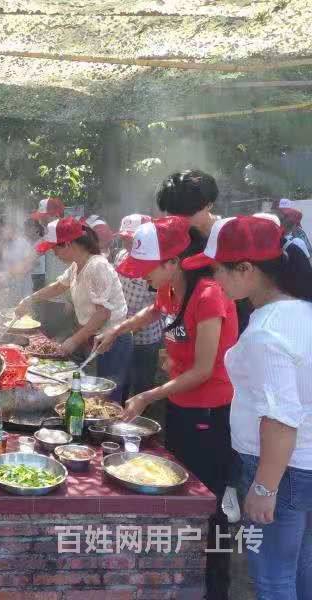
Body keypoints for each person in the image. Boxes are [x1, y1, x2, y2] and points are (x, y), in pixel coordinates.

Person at [95, 216, 238, 600]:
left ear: (173, 261)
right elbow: (151, 312)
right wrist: (116, 330)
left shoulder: (208, 295)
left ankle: (215, 585)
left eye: (148, 270)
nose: (143, 278)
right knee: (183, 497)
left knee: (209, 505)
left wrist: (147, 396)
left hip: (210, 415)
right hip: (181, 408)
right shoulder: (171, 290)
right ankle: (180, 576)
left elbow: (205, 370)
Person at [182, 215, 312, 600]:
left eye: (218, 270)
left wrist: (263, 487)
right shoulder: (301, 312)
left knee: (271, 578)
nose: (214, 280)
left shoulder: (266, 332)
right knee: (301, 567)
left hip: (281, 471)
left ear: (246, 269)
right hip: (302, 465)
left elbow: (280, 420)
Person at [16, 217, 131, 402]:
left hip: (112, 341)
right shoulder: (77, 265)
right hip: (93, 337)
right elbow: (58, 286)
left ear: (68, 244)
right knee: (89, 393)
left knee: (105, 398)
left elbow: (103, 313)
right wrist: (30, 299)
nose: (53, 253)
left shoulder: (97, 266)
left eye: (55, 248)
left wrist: (74, 341)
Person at [155, 169, 253, 335]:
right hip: (192, 325)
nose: (180, 219)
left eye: (187, 213)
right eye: (174, 213)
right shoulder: (177, 238)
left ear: (209, 205)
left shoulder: (233, 235)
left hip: (236, 324)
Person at [112, 214, 162, 398]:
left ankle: (141, 422)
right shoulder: (120, 256)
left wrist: (135, 324)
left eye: (131, 239)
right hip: (122, 331)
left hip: (146, 338)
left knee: (142, 386)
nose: (126, 242)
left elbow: (161, 304)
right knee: (120, 382)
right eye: (123, 238)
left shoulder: (156, 264)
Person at [30, 197, 73, 338]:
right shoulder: (48, 236)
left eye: (43, 218)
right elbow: (29, 259)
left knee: (60, 344)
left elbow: (77, 268)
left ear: (55, 216)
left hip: (65, 302)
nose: (40, 222)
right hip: (50, 296)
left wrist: (70, 300)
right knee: (46, 339)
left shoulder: (70, 238)